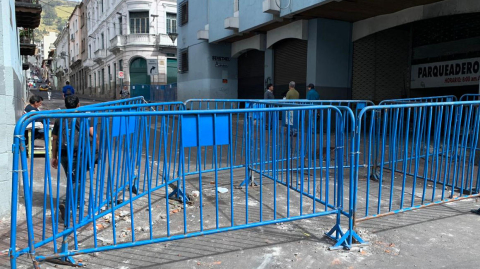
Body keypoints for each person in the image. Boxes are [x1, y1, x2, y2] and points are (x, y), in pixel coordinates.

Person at [51, 95, 95, 222]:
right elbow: (92, 133)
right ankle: (68, 203)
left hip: (64, 152)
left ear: (65, 104)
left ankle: (76, 202)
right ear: (78, 104)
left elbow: (54, 138)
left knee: (72, 177)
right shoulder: (84, 116)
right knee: (78, 180)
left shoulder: (60, 118)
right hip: (79, 152)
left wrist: (54, 156)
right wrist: (97, 145)